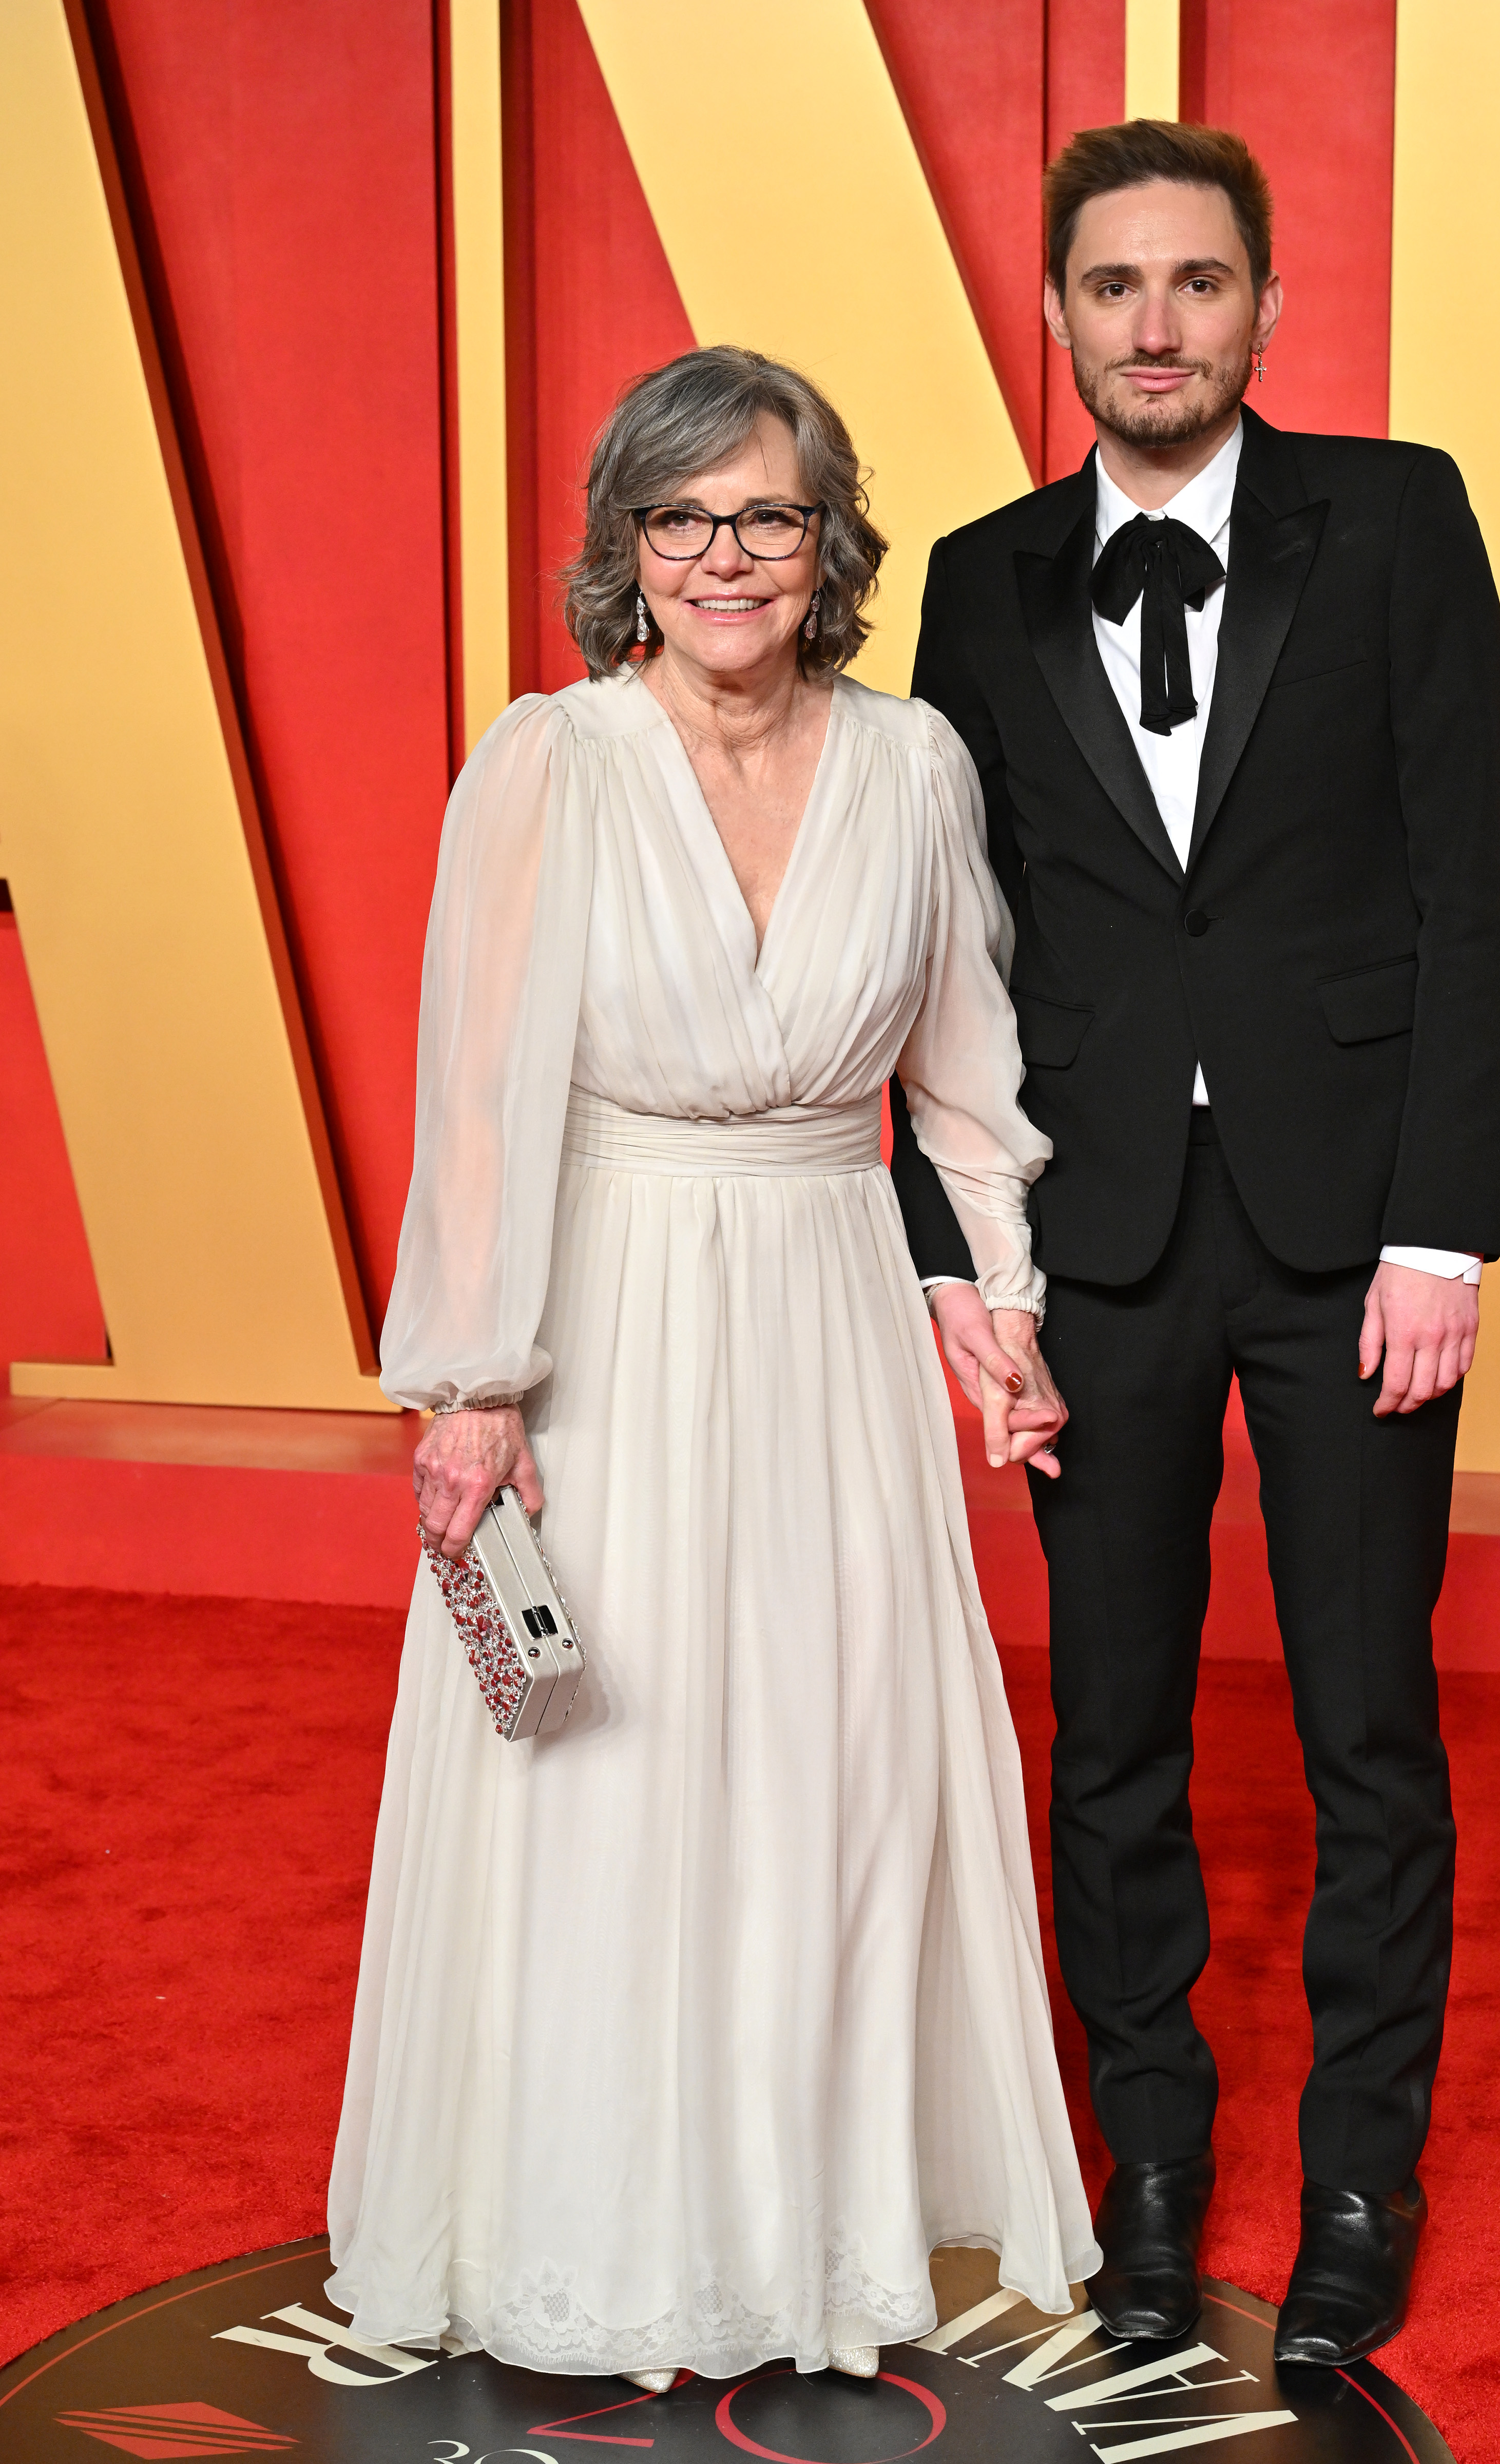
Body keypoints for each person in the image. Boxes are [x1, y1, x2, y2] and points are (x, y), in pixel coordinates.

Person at [325, 345, 1099, 2392]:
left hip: (831, 1312)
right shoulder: (551, 765)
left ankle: (805, 2239)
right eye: (682, 519)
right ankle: (617, 2241)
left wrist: (997, 1310)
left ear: (825, 536)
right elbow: (483, 1098)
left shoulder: (918, 765)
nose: (726, 558)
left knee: (831, 1777)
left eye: (766, 514)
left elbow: (965, 1085)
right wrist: (478, 1380)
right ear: (626, 550)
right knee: (626, 1780)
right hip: (620, 1316)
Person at [890, 119, 1500, 2367]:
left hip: (1359, 1233)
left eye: (1195, 283)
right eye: (1110, 287)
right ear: (1057, 316)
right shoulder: (975, 581)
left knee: (1371, 1724)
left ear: (1263, 306)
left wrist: (1446, 1226)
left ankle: (1365, 2170)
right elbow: (939, 952)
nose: (1153, 324)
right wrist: (963, 1261)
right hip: (1098, 1246)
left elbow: (1480, 883)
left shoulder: (1401, 516)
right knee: (1117, 1739)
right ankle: (1146, 2170)